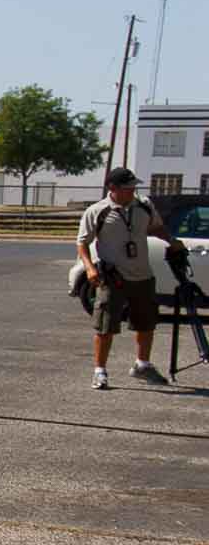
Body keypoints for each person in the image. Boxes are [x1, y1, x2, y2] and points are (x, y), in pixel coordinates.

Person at [77, 167, 179, 390]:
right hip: (114, 277)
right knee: (105, 326)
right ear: (112, 188)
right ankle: (100, 372)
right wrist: (90, 268)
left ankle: (142, 365)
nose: (132, 191)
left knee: (147, 323)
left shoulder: (143, 205)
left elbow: (158, 228)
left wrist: (172, 240)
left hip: (143, 275)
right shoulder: (98, 211)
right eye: (127, 188)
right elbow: (82, 243)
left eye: (134, 187)